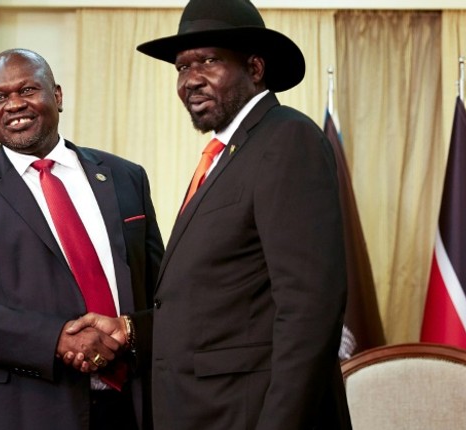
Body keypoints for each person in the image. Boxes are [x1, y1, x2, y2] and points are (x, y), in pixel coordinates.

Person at [67, 0, 351, 428]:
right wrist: (132, 330)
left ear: (255, 69)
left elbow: (310, 310)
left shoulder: (288, 139)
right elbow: (219, 301)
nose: (191, 80)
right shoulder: (228, 154)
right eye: (182, 68)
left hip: (250, 415)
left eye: (208, 61)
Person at [0, 48, 164, 430]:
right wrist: (55, 339)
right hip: (17, 412)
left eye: (27, 90)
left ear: (57, 96)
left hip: (131, 408)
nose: (14, 104)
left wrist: (130, 331)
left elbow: (163, 292)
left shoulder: (125, 177)